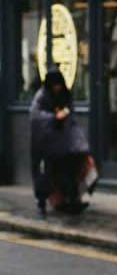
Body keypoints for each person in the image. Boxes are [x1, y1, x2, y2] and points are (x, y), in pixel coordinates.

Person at [29, 69, 91, 218]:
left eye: (59, 84)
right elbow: (35, 116)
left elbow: (71, 116)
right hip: (44, 143)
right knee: (45, 174)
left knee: (70, 171)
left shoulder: (65, 95)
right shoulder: (41, 96)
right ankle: (42, 203)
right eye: (55, 85)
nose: (57, 88)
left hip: (64, 142)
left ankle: (72, 200)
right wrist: (54, 117)